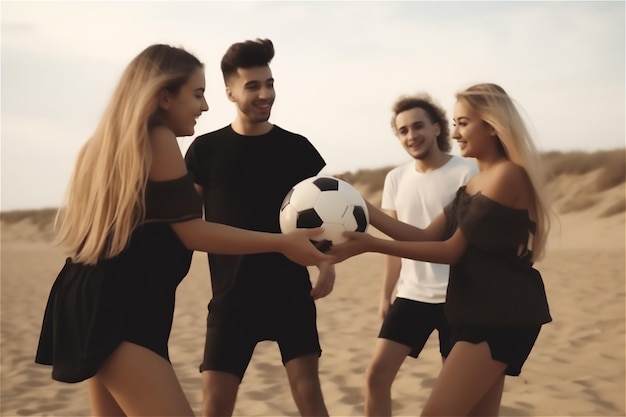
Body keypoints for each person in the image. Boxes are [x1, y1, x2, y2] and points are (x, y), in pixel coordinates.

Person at [34, 44, 333, 417]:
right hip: (119, 309)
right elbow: (192, 232)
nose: (204, 107)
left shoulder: (111, 146)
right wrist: (282, 243)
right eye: (197, 94)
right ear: (163, 97)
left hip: (91, 299)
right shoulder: (159, 138)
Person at [330, 83, 552, 416]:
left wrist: (371, 245)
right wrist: (358, 202)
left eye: (463, 123)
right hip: (473, 311)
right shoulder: (474, 182)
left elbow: (450, 252)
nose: (456, 132)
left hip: (500, 315)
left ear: (491, 126)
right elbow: (423, 237)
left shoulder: (507, 175)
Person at [184, 38, 331, 417]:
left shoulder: (297, 149)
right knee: (215, 404)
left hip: (290, 293)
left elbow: (326, 217)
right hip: (231, 298)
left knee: (310, 397)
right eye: (253, 86)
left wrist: (326, 263)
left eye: (270, 83)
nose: (265, 93)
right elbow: (183, 219)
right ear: (230, 91)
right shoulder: (205, 150)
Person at [365, 93, 478, 416]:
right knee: (376, 376)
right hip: (411, 295)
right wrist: (385, 295)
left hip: (458, 299)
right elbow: (397, 244)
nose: (411, 136)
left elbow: (453, 243)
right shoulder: (395, 179)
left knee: (454, 391)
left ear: (437, 128)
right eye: (403, 131)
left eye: (418, 127)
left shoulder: (466, 173)